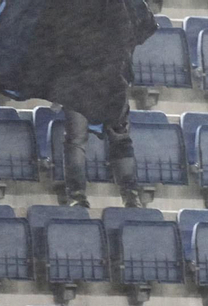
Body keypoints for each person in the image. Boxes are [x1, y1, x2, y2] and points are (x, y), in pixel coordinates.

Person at [47, 0, 153, 209]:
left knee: (78, 139)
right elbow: (138, 29)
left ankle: (78, 196)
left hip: (83, 80)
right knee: (116, 137)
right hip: (106, 78)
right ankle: (130, 195)